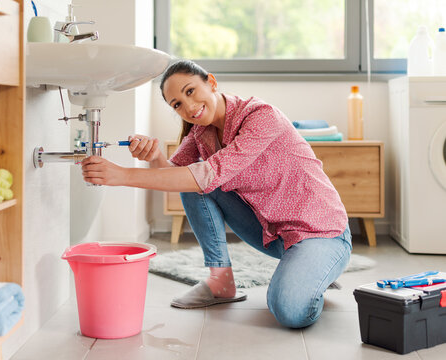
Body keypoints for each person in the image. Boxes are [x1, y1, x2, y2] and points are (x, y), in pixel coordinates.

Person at [81, 59, 352, 329]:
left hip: (322, 234)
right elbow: (178, 178)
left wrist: (123, 176)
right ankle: (221, 282)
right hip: (274, 234)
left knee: (289, 311)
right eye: (177, 104)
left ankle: (316, 276)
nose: (188, 107)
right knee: (192, 180)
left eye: (190, 91)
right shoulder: (201, 133)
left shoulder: (261, 116)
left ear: (211, 82)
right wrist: (155, 157)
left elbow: (205, 175)